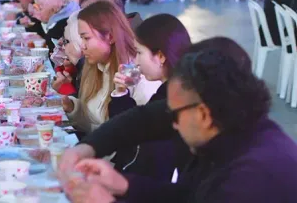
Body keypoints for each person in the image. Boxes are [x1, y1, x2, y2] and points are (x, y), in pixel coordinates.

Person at [67, 45, 297, 203]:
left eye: (174, 116)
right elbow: (188, 196)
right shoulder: (231, 127)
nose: (172, 125)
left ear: (204, 114)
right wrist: (124, 183)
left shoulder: (251, 178)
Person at [108, 14, 191, 179]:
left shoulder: (170, 99)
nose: (136, 61)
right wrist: (121, 92)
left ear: (160, 56)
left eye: (139, 52)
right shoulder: (174, 88)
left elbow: (132, 134)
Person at [62, 1, 159, 134]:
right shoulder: (96, 67)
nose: (82, 46)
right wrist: (72, 107)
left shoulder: (137, 77)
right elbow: (95, 124)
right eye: (81, 39)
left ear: (111, 37)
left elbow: (134, 137)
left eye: (86, 38)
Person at [51, 12, 85, 96]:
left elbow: (88, 106)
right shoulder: (82, 66)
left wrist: (61, 91)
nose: (62, 45)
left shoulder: (93, 67)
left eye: (66, 41)